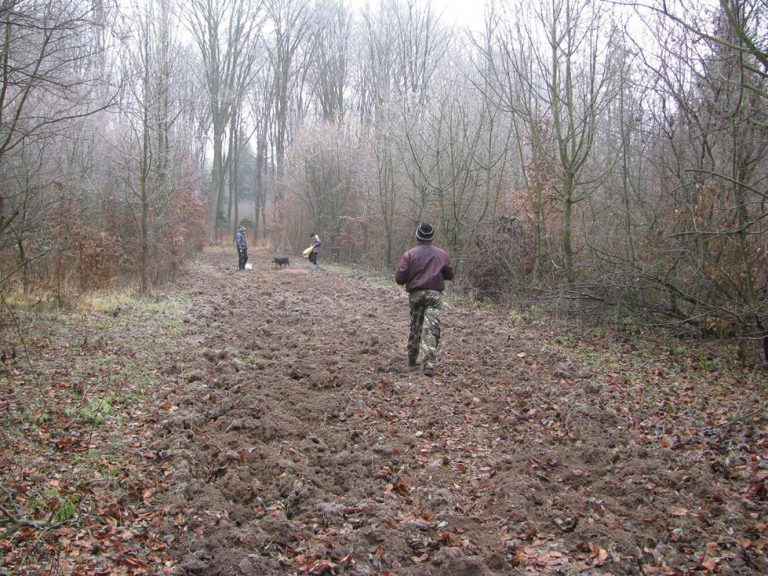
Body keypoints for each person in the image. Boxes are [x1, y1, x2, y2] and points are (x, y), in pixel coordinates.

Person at [394, 222, 454, 376]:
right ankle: (429, 363)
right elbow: (450, 275)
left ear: (417, 235)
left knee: (416, 325)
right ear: (431, 236)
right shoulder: (442, 254)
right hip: (434, 295)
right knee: (431, 328)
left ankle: (412, 359)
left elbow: (399, 279)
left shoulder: (409, 254)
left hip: (416, 295)